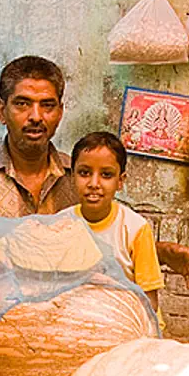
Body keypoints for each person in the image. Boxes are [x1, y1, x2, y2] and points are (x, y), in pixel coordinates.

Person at [0, 55, 189, 285]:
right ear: (2, 111)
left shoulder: (81, 177)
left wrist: (161, 253)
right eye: (22, 104)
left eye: (47, 105)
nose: (36, 116)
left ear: (60, 112)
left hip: (70, 320)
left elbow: (108, 243)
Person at [59, 132, 165, 322]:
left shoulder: (136, 229)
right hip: (81, 320)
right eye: (84, 173)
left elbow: (149, 301)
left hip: (131, 321)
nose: (94, 184)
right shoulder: (60, 224)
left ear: (120, 181)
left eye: (106, 175)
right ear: (72, 176)